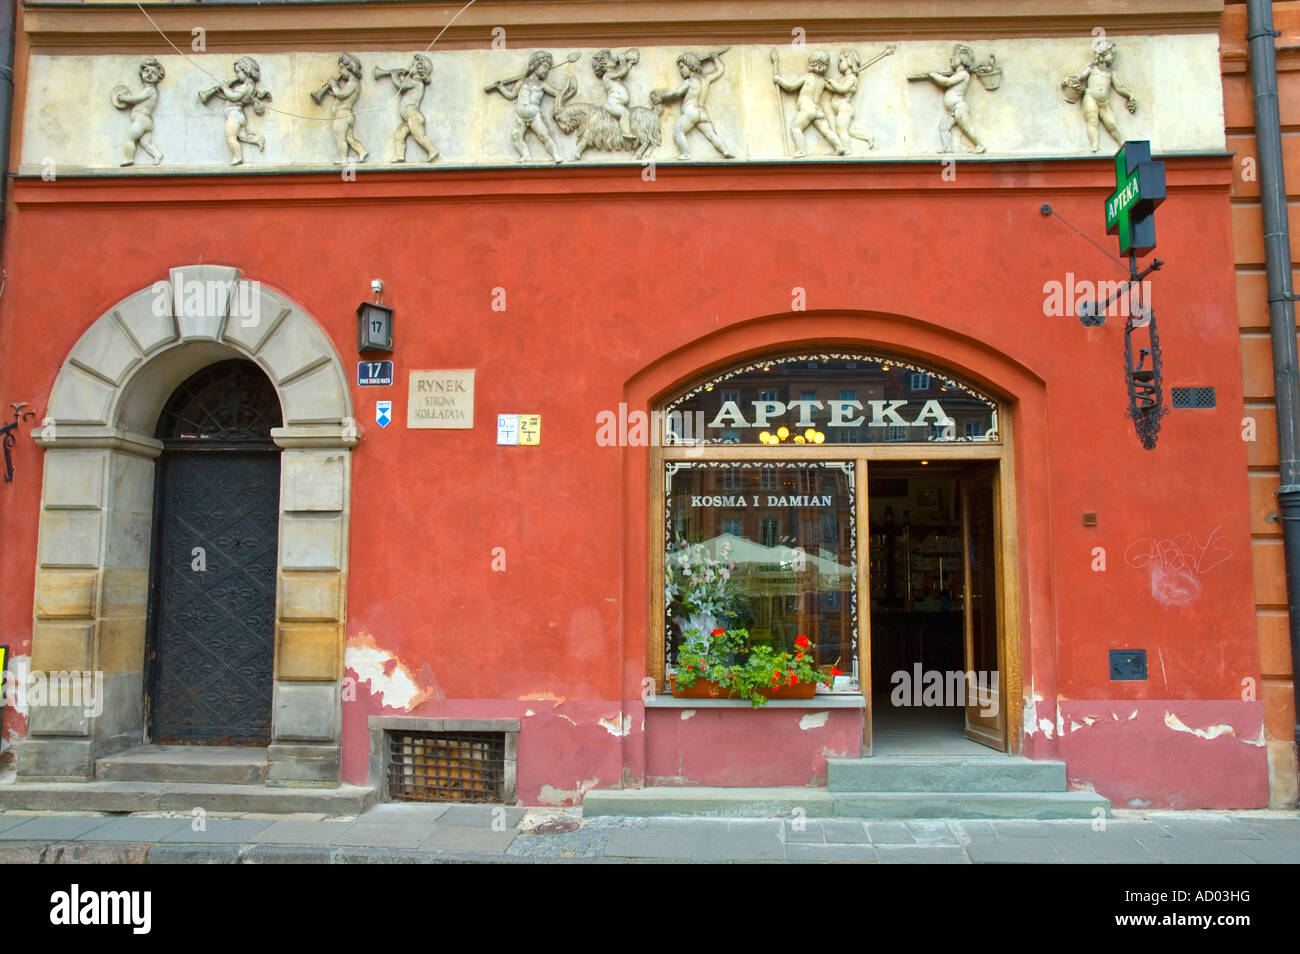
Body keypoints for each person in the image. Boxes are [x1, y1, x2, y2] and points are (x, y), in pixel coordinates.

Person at [657, 50, 735, 160]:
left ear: (690, 66)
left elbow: (676, 93)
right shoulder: (706, 79)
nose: (681, 71)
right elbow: (720, 70)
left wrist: (663, 97)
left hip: (690, 111)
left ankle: (686, 153)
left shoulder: (689, 82)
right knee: (712, 135)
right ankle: (726, 151)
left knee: (678, 131)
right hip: (702, 112)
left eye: (682, 67)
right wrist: (715, 58)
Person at [487, 52, 564, 163]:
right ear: (536, 66)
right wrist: (501, 88)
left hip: (534, 115)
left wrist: (565, 91)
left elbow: (557, 93)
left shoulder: (542, 85)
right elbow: (511, 95)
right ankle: (526, 155)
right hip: (520, 116)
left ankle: (556, 155)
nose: (547, 71)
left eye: (549, 69)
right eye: (545, 67)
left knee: (544, 135)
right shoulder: (521, 82)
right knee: (516, 137)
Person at [1065, 38, 1139, 152]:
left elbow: (1119, 87)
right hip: (1091, 97)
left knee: (1112, 123)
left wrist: (1129, 95)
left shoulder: (1111, 73)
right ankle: (1095, 146)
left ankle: (1123, 146)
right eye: (1111, 54)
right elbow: (1080, 77)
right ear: (1102, 53)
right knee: (1092, 121)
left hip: (1105, 102)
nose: (1113, 56)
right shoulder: (1091, 69)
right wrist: (1069, 80)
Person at [772, 50, 845, 156]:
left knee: (796, 128)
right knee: (826, 130)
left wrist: (778, 80)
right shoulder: (823, 81)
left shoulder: (808, 77)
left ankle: (801, 151)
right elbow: (837, 89)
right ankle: (840, 147)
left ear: (811, 63)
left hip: (807, 108)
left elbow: (790, 87)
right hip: (817, 109)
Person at [202, 56, 270, 166]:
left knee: (230, 137)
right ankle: (258, 139)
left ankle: (237, 157)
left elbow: (234, 97)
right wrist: (220, 92)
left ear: (247, 70)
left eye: (238, 71)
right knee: (242, 136)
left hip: (235, 116)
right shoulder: (247, 86)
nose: (236, 75)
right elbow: (230, 96)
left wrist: (224, 88)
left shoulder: (248, 86)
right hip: (238, 116)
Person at [919, 44, 985, 154]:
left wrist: (934, 76)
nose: (951, 58)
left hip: (958, 108)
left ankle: (980, 145)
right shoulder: (957, 74)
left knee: (967, 128)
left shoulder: (963, 74)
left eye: (954, 56)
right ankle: (947, 149)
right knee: (943, 128)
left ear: (962, 59)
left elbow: (947, 82)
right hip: (951, 110)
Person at [381, 54, 438, 162]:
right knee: (399, 136)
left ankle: (432, 150)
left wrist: (394, 74)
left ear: (420, 70)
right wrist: (402, 77)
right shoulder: (412, 81)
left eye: (413, 66)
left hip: (413, 116)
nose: (409, 67)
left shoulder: (417, 82)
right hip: (408, 118)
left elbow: (400, 85)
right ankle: (400, 155)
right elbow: (404, 84)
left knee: (419, 137)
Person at [317, 53, 368, 163]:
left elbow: (341, 94)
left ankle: (343, 159)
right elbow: (341, 96)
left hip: (343, 115)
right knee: (349, 138)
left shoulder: (353, 82)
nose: (340, 72)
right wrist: (332, 92)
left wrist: (334, 85)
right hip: (345, 115)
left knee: (340, 137)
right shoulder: (351, 83)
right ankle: (362, 152)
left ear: (349, 68)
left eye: (342, 68)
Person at [116, 57, 165, 167]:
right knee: (145, 143)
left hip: (141, 119)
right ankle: (157, 155)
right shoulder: (147, 90)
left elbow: (136, 99)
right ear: (141, 73)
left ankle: (128, 158)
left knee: (129, 138)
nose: (149, 74)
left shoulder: (150, 90)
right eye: (147, 71)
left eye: (153, 73)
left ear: (158, 77)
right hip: (146, 121)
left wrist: (124, 98)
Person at [593, 48, 638, 140]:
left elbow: (623, 72)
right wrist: (622, 60)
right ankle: (626, 132)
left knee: (625, 113)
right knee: (625, 113)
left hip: (617, 103)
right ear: (603, 65)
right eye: (609, 58)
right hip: (612, 104)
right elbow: (622, 71)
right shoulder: (607, 75)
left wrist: (629, 63)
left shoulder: (614, 75)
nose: (613, 58)